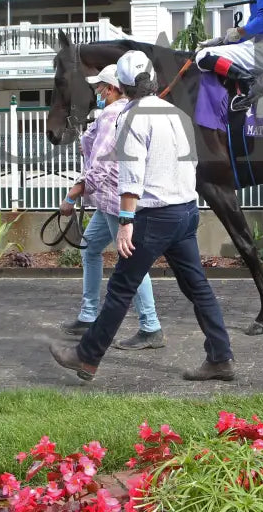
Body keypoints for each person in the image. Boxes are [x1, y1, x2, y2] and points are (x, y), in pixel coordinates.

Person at [49, 50, 236, 382]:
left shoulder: (130, 118)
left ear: (121, 84)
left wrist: (125, 222)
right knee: (198, 287)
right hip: (185, 211)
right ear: (152, 79)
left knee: (121, 287)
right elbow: (191, 163)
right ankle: (220, 356)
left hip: (155, 216)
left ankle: (87, 356)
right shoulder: (177, 114)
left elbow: (131, 176)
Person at [57, 63, 165, 350]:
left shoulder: (111, 115)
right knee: (91, 247)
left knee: (131, 262)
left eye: (101, 87)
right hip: (112, 198)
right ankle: (89, 315)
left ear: (114, 88)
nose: (98, 92)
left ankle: (151, 325)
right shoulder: (127, 111)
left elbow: (102, 162)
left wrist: (73, 194)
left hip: (113, 199)